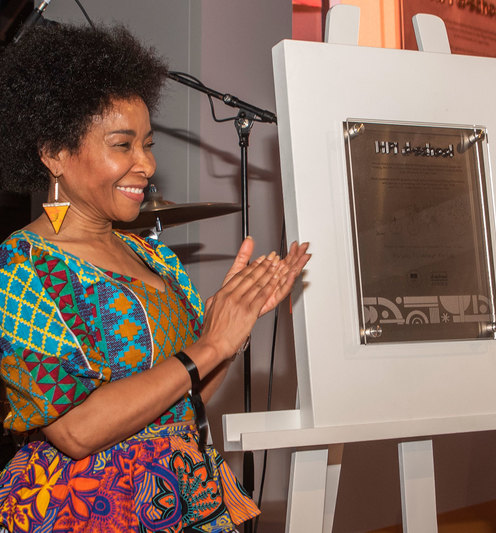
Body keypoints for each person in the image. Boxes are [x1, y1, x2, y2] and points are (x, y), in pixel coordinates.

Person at [0, 23, 310, 532]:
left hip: (183, 497)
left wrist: (231, 330)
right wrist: (209, 347)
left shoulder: (154, 258)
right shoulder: (23, 269)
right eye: (123, 145)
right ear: (55, 152)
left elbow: (185, 403)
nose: (146, 164)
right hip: (83, 511)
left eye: (147, 144)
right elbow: (76, 431)